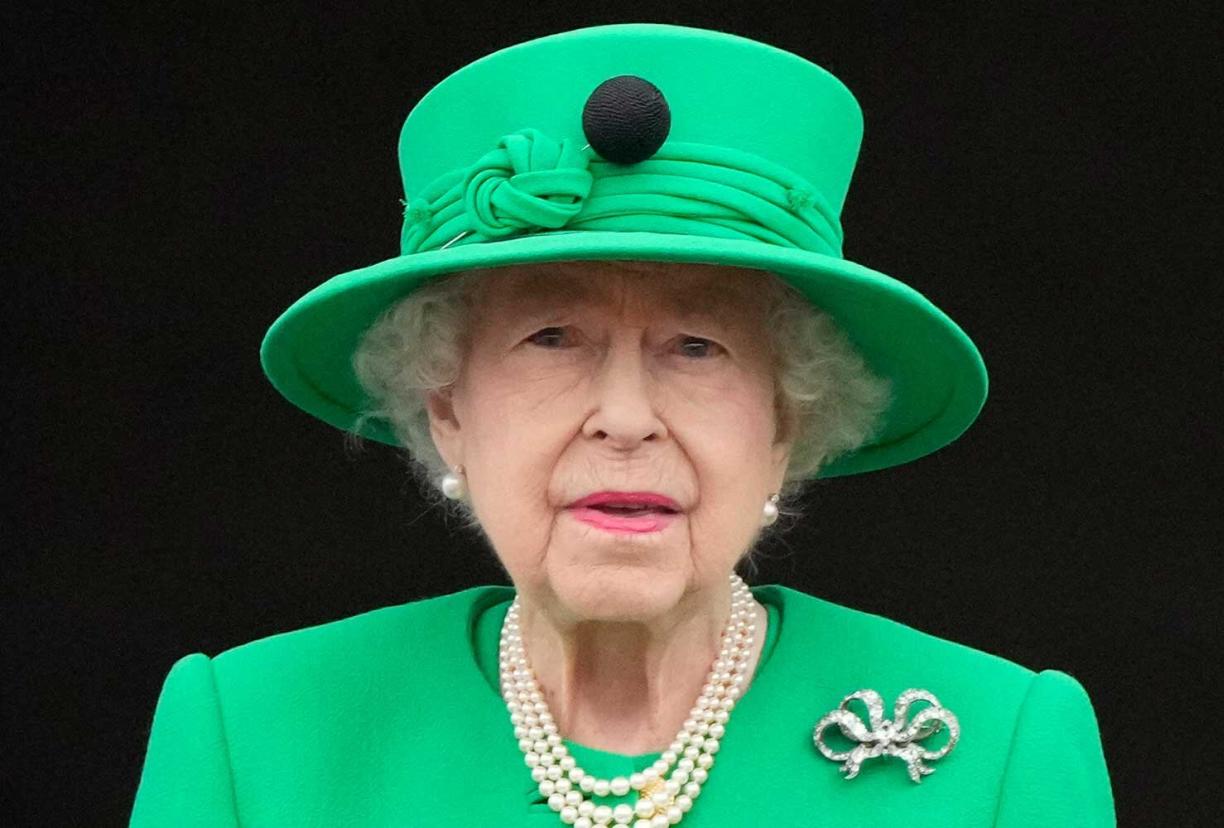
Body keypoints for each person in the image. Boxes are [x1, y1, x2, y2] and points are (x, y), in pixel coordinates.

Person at [129, 22, 1115, 827]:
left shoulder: (997, 749)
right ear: (447, 410)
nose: (627, 418)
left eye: (697, 346)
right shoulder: (250, 733)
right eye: (553, 336)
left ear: (787, 420)